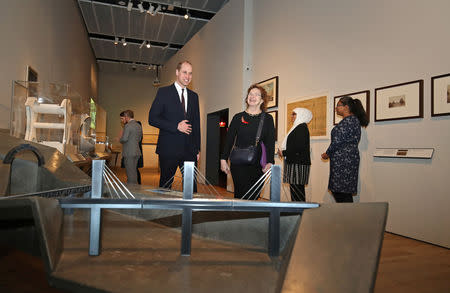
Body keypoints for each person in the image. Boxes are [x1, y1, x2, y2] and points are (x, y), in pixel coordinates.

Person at [148, 61, 200, 191]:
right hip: (168, 148)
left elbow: (196, 124)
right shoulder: (163, 92)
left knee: (191, 187)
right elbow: (152, 118)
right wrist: (175, 126)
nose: (187, 76)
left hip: (189, 150)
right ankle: (164, 211)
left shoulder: (194, 97)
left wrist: (197, 148)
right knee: (165, 186)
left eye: (190, 73)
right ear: (177, 72)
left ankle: (190, 211)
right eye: (184, 72)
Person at [220, 84, 275, 199]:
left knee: (254, 196)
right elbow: (229, 140)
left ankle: (250, 216)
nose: (252, 96)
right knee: (240, 196)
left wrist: (270, 161)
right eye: (250, 94)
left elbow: (270, 143)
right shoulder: (237, 117)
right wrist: (223, 159)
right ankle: (239, 217)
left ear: (262, 100)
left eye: (257, 94)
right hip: (238, 164)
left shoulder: (268, 119)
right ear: (247, 98)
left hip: (258, 165)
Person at [321, 96, 369, 203]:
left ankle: (348, 218)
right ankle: (346, 217)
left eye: (338, 105)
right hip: (346, 160)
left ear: (346, 107)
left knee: (341, 192)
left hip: (344, 161)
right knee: (342, 192)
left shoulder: (350, 121)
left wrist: (327, 153)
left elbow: (338, 141)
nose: (336, 108)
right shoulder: (352, 121)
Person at [277, 108, 312, 201]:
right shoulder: (298, 127)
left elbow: (298, 147)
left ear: (301, 115)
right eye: (292, 114)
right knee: (295, 189)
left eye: (294, 114)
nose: (291, 116)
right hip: (295, 162)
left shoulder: (301, 127)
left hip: (298, 163)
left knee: (297, 190)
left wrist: (283, 152)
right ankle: (296, 210)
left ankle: (299, 211)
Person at [119, 110, 143, 184]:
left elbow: (124, 139)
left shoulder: (128, 125)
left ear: (126, 116)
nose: (122, 120)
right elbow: (140, 139)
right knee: (134, 172)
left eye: (122, 118)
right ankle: (135, 188)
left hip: (129, 152)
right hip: (137, 151)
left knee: (130, 173)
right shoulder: (138, 125)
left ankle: (131, 190)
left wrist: (120, 139)